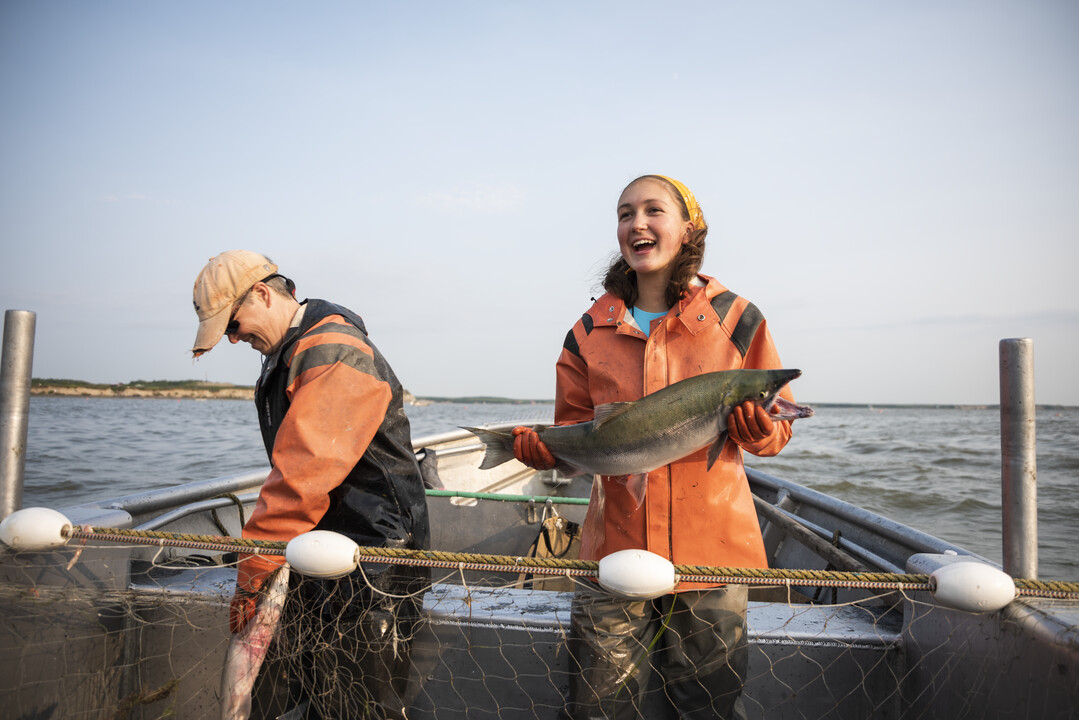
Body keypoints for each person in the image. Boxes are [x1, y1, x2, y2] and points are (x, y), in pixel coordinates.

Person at [512, 176, 798, 719]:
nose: (636, 223)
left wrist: (754, 427)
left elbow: (777, 432)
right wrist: (540, 450)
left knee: (707, 704)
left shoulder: (737, 318)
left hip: (715, 552)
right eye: (625, 214)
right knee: (600, 703)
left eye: (653, 210)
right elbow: (573, 429)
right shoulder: (587, 331)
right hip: (613, 547)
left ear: (689, 227)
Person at [191, 250, 430, 719]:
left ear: (261, 294)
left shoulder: (331, 349)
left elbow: (301, 476)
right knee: (320, 693)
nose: (235, 340)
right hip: (325, 548)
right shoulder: (290, 348)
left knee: (359, 701)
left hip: (374, 557)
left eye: (233, 326)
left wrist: (253, 570)